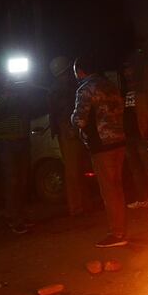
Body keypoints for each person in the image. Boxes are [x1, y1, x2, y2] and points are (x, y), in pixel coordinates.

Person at [71, 55, 128, 248]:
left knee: (109, 190)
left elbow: (79, 120)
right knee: (117, 187)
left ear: (80, 71)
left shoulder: (85, 89)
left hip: (101, 146)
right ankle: (120, 229)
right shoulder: (110, 85)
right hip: (119, 141)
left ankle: (117, 234)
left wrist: (72, 119)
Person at [0, 68, 35, 234]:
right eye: (4, 79)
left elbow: (27, 110)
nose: (8, 81)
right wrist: (5, 96)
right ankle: (14, 219)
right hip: (6, 141)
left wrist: (20, 95)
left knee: (22, 179)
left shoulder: (18, 93)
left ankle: (22, 215)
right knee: (12, 180)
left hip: (21, 139)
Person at [48, 56, 88, 216]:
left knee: (77, 169)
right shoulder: (64, 87)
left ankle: (82, 204)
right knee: (74, 170)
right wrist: (69, 128)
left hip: (70, 129)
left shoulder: (57, 87)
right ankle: (78, 207)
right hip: (69, 130)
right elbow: (61, 112)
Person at [120, 60, 148, 209]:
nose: (127, 73)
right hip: (129, 137)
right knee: (136, 169)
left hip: (143, 135)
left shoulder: (144, 90)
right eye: (125, 70)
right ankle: (144, 199)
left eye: (130, 70)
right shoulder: (124, 90)